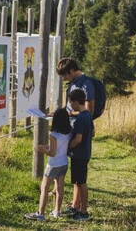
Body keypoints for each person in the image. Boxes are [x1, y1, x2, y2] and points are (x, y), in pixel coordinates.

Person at [56, 57, 95, 214]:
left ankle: (80, 208)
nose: (63, 78)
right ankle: (75, 205)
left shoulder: (86, 84)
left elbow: (89, 110)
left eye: (64, 75)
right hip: (74, 131)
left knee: (80, 179)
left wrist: (73, 114)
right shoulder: (72, 84)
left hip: (79, 136)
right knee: (78, 178)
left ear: (71, 70)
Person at [24, 108, 72, 221]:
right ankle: (57, 211)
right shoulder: (68, 132)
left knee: (44, 188)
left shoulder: (53, 134)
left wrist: (42, 149)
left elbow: (52, 152)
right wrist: (49, 148)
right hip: (64, 163)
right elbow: (60, 148)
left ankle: (40, 213)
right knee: (60, 188)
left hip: (53, 165)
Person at [67, 89, 94, 221]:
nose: (70, 105)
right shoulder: (88, 114)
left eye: (71, 102)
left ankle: (84, 212)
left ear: (76, 101)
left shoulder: (80, 119)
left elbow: (77, 139)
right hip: (85, 153)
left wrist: (66, 147)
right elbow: (93, 133)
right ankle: (76, 206)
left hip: (79, 155)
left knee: (81, 182)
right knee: (78, 181)